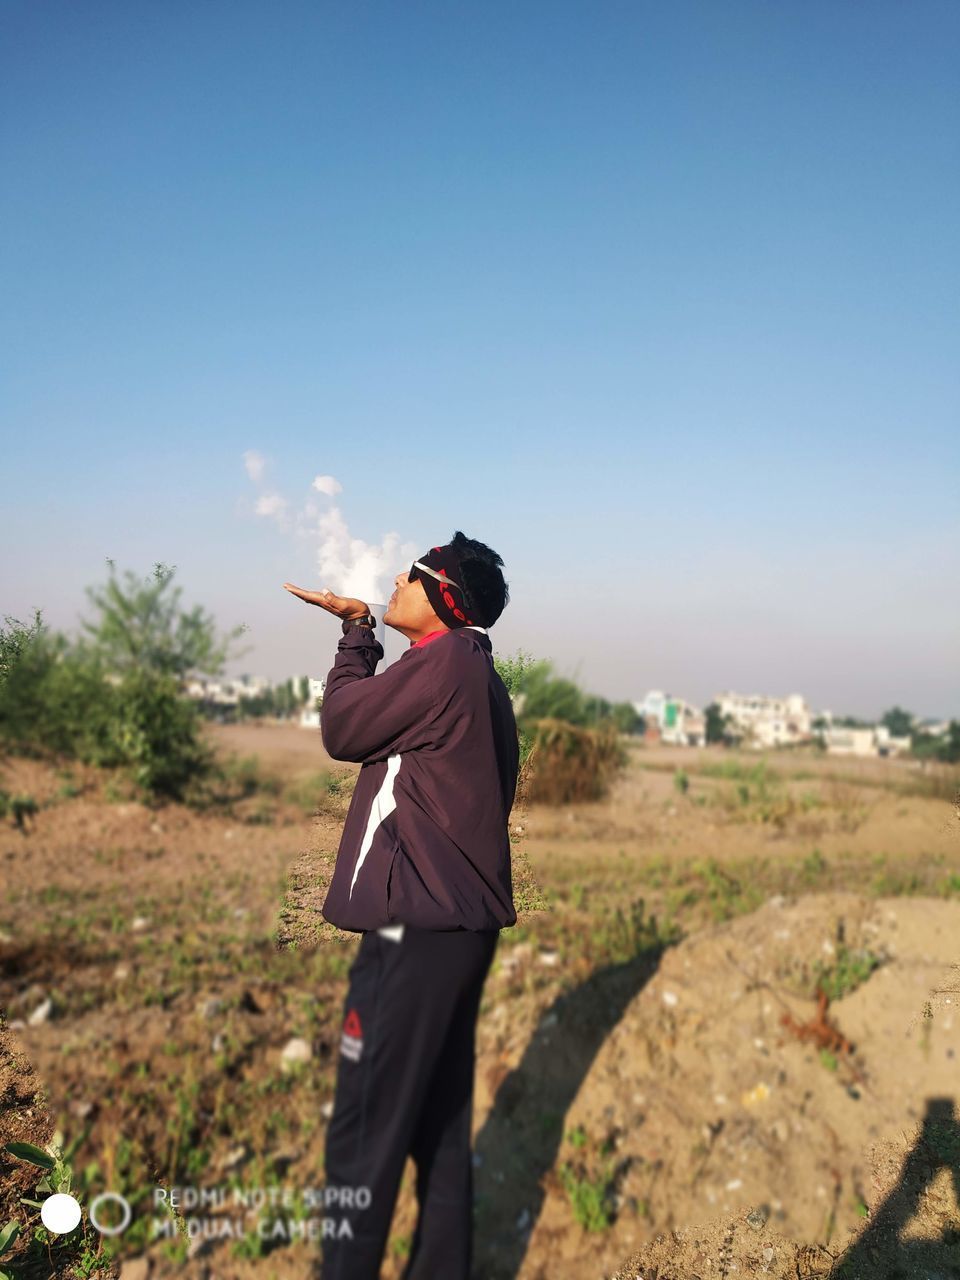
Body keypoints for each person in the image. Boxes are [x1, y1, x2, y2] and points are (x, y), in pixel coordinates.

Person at [282, 531, 519, 1280]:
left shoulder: (443, 660)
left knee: (366, 1132)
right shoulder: (482, 677)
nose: (396, 578)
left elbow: (343, 728)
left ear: (447, 598)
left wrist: (356, 634)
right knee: (440, 1131)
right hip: (459, 932)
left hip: (411, 935)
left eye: (412, 574)